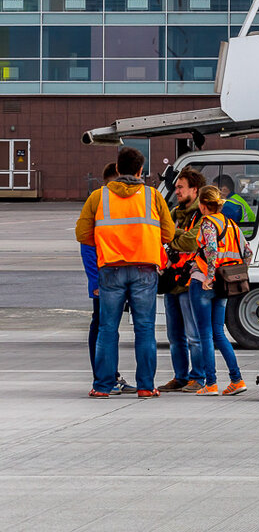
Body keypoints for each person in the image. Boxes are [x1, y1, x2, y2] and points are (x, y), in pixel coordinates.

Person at [76, 146, 175, 398]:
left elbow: (82, 234)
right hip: (144, 269)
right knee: (144, 328)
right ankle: (145, 386)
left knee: (108, 329)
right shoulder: (153, 196)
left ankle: (102, 386)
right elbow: (169, 234)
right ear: (141, 171)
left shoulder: (99, 197)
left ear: (117, 169)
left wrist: (106, 241)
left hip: (111, 268)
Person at [188, 185, 249, 396]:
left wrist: (209, 276)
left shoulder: (207, 223)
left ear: (203, 205)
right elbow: (247, 252)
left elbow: (212, 249)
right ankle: (236, 379)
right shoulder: (231, 224)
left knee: (204, 334)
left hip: (205, 281)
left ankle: (211, 383)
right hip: (226, 283)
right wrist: (235, 271)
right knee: (219, 333)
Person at [83, 162, 134, 394]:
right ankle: (105, 377)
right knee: (103, 327)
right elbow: (87, 245)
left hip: (116, 275)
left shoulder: (112, 203)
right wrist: (94, 282)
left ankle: (109, 375)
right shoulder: (99, 201)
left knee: (107, 328)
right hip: (104, 277)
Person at [158, 167, 207, 393]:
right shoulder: (175, 213)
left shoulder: (202, 215)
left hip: (190, 283)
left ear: (194, 190)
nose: (176, 191)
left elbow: (191, 242)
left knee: (193, 335)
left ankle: (198, 377)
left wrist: (172, 235)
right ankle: (180, 377)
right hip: (173, 282)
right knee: (174, 336)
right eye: (176, 187)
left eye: (180, 187)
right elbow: (164, 236)